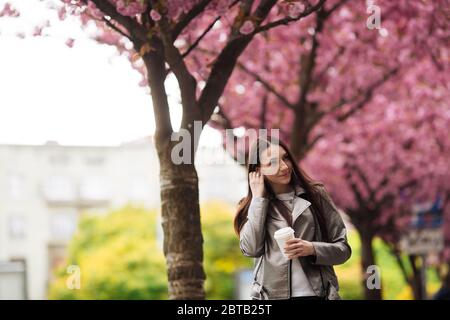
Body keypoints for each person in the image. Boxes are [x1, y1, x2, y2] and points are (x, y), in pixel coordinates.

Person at [234, 137, 351, 300]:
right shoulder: (253, 206)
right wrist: (258, 200)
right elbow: (251, 249)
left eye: (285, 157)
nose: (284, 166)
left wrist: (312, 249)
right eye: (272, 163)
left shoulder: (316, 195)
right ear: (258, 171)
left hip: (319, 295)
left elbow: (343, 250)